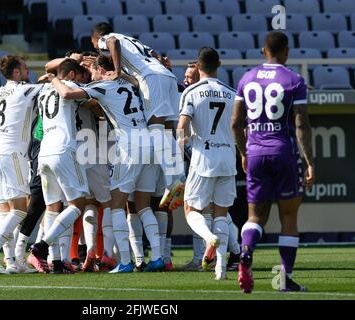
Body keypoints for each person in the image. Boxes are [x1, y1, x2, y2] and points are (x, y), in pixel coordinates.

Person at [52, 55, 165, 273]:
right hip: (148, 142)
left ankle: (124, 261)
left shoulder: (102, 85)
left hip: (129, 144)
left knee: (115, 205)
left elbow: (67, 93)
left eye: (92, 71)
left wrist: (53, 79)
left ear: (101, 70)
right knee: (142, 205)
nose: (90, 75)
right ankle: (158, 258)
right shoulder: (132, 83)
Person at [231, 31, 314, 293]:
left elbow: (235, 123)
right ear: (287, 51)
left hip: (255, 152)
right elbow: (301, 123)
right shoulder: (294, 80)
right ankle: (283, 279)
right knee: (288, 216)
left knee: (255, 216)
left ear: (263, 51)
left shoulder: (246, 78)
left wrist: (244, 153)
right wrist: (309, 161)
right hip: (283, 152)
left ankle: (246, 252)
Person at [90, 22, 185, 211]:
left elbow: (112, 41)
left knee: (155, 128)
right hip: (166, 76)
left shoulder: (108, 38)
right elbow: (156, 56)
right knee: (165, 130)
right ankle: (177, 177)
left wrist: (117, 72)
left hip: (151, 78)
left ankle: (173, 180)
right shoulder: (133, 41)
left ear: (95, 38)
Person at [0, 55, 43, 274]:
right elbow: (49, 88)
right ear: (16, 72)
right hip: (12, 155)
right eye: (25, 68)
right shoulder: (24, 90)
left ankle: (11, 261)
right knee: (20, 210)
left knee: (5, 211)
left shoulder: (3, 90)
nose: (28, 72)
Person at [177, 48, 237, 280]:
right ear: (219, 64)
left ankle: (208, 238)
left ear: (198, 67)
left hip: (203, 158)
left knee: (192, 209)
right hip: (227, 158)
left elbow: (182, 127)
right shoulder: (232, 93)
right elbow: (240, 128)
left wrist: (178, 157)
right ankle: (220, 269)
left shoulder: (192, 92)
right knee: (221, 213)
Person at [29, 59, 90, 273]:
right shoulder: (70, 86)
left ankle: (56, 262)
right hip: (63, 150)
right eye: (80, 74)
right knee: (77, 204)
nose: (83, 79)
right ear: (71, 75)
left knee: (53, 208)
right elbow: (85, 99)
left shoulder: (44, 90)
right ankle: (42, 245)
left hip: (44, 152)